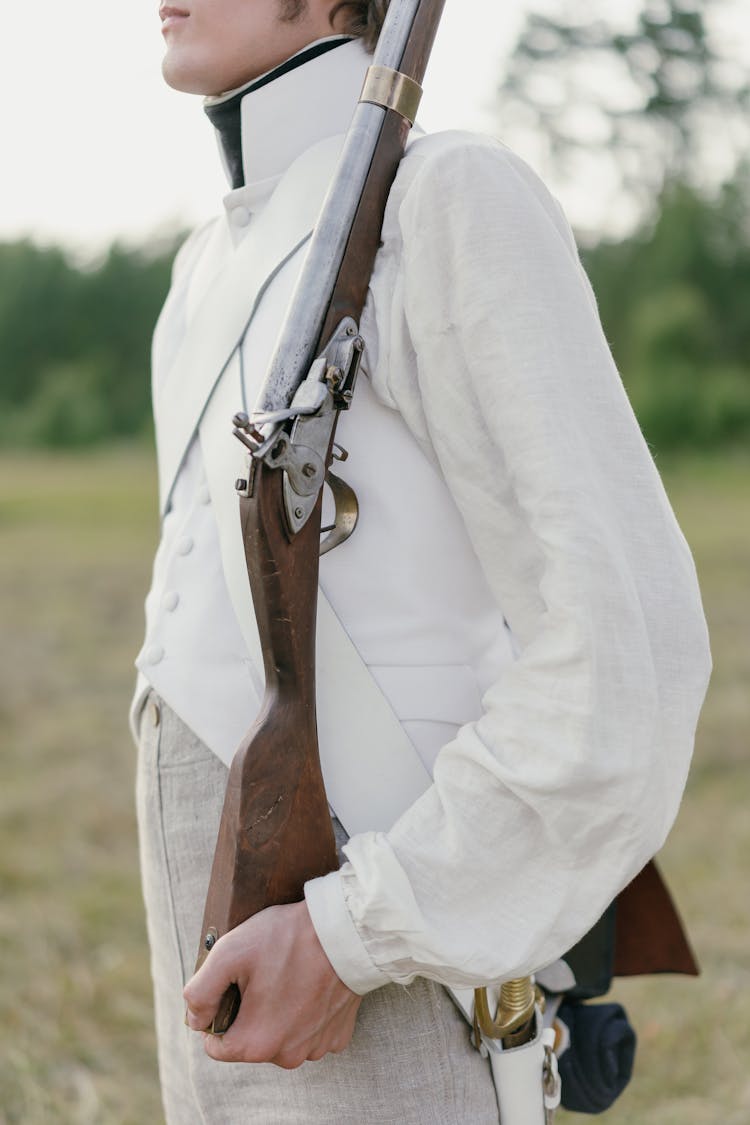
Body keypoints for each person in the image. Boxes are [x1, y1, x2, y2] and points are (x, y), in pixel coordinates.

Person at [132, 0, 712, 1121]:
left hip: (392, 977)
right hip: (217, 985)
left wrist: (355, 936)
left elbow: (619, 646)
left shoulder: (446, 200)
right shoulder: (204, 269)